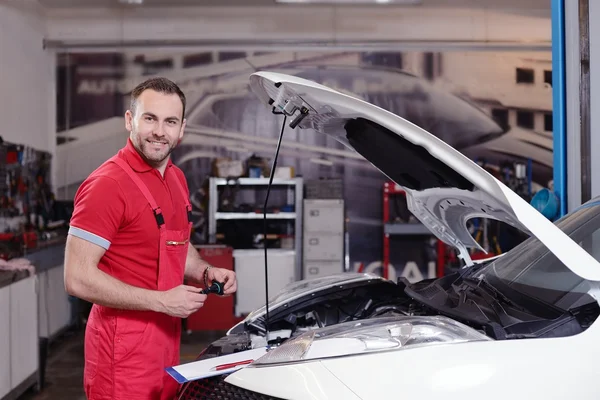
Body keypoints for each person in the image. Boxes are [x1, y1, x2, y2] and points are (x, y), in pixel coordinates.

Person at [64, 77, 237, 400]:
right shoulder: (107, 184)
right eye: (150, 118)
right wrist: (161, 301)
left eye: (170, 121)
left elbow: (175, 244)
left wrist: (204, 271)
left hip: (166, 344)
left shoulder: (176, 178)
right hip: (120, 353)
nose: (160, 131)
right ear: (130, 120)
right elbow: (77, 278)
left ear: (182, 129)